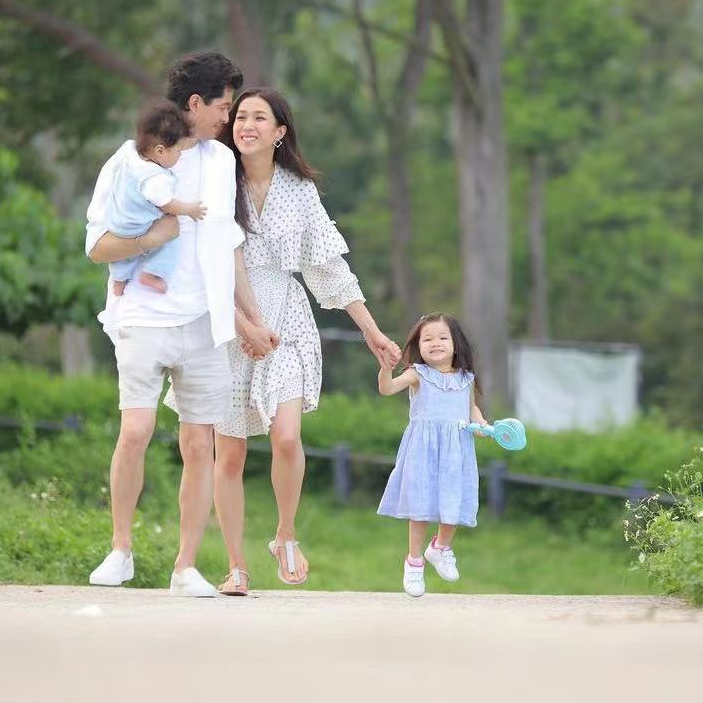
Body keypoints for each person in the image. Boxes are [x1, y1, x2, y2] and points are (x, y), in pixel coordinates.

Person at [170, 87, 400, 595]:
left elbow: (328, 268)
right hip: (226, 320)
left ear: (280, 132)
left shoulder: (300, 190)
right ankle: (236, 566)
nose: (246, 125)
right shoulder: (216, 180)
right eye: (240, 116)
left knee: (288, 437)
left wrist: (371, 331)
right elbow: (198, 259)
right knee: (229, 454)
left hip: (287, 321)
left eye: (259, 118)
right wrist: (240, 321)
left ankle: (285, 533)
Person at [85, 53, 277, 597]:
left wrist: (251, 319)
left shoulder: (220, 161)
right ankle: (120, 550)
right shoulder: (129, 159)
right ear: (195, 103)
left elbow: (228, 245)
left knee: (200, 443)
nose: (228, 117)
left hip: (205, 326)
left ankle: (185, 566)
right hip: (144, 317)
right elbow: (97, 246)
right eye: (223, 106)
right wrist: (153, 238)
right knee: (136, 430)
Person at [376, 313, 488, 597]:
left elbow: (471, 408)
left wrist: (480, 424)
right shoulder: (417, 374)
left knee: (453, 500)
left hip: (457, 451)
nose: (435, 343)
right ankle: (414, 563)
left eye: (442, 337)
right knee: (421, 506)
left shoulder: (466, 379)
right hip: (422, 451)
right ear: (418, 346)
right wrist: (385, 369)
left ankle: (440, 547)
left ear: (455, 343)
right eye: (427, 339)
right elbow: (387, 389)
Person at [107, 98, 207, 296]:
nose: (180, 155)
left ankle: (118, 281)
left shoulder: (132, 158)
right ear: (160, 150)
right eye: (178, 150)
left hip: (117, 222)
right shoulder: (155, 178)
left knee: (122, 259)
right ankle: (152, 273)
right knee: (172, 238)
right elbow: (167, 204)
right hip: (137, 226)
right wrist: (190, 210)